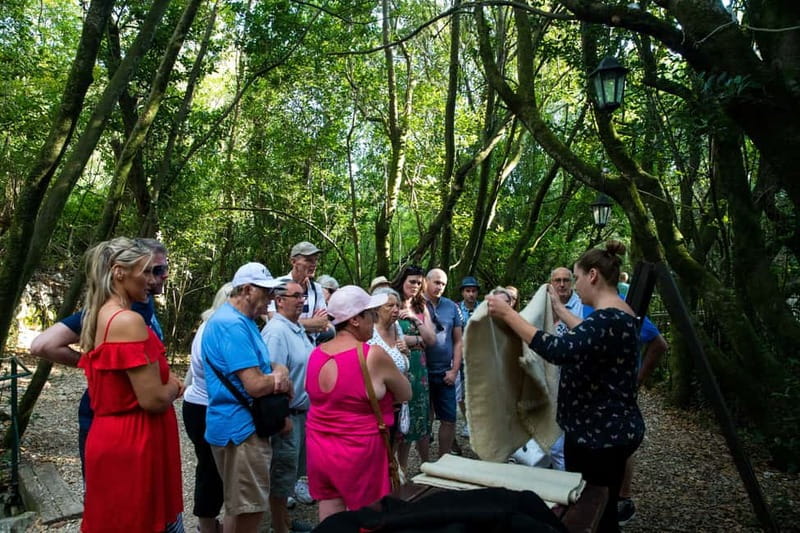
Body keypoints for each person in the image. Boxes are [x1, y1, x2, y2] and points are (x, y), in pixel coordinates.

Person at [487, 241, 645, 533]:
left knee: (590, 514)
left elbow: (559, 350)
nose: (576, 285)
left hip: (597, 439)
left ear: (593, 275)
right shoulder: (619, 314)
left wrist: (509, 315)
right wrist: (558, 308)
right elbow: (588, 336)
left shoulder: (605, 319)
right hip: (613, 432)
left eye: (578, 277)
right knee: (603, 509)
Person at [30, 238, 170, 474]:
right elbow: (42, 345)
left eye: (163, 269)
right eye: (152, 270)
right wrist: (94, 365)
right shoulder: (124, 314)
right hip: (118, 420)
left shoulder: (138, 304)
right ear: (122, 272)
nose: (160, 276)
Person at [77, 237, 183, 532]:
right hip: (132, 442)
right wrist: (175, 385)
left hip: (115, 436)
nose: (152, 281)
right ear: (119, 272)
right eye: (146, 272)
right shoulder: (128, 321)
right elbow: (153, 399)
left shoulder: (102, 314)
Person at [305, 286, 411, 521]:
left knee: (330, 508)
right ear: (354, 320)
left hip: (319, 446)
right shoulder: (371, 355)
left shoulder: (316, 353)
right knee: (369, 515)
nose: (374, 321)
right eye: (370, 315)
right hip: (359, 448)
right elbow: (405, 393)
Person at [202, 262, 292, 533]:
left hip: (241, 428)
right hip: (240, 431)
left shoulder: (244, 322)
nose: (270, 298)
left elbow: (270, 366)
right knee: (249, 510)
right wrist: (279, 380)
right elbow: (254, 384)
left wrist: (279, 371)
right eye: (265, 292)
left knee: (239, 507)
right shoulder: (232, 326)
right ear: (247, 289)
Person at [261, 281, 315, 533]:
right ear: (279, 300)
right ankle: (279, 526)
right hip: (287, 415)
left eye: (303, 295)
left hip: (302, 413)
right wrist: (282, 417)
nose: (302, 300)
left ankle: (284, 522)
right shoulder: (276, 332)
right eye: (296, 296)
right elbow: (273, 378)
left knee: (291, 470)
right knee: (281, 471)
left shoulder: (295, 328)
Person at [183, 282, 233, 533]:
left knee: (210, 468)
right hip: (205, 407)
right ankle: (207, 524)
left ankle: (210, 522)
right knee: (211, 471)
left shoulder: (207, 326)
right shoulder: (217, 329)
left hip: (197, 405)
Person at [392, 265, 436, 471]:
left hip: (419, 368)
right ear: (402, 280)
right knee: (397, 414)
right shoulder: (391, 302)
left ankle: (407, 466)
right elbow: (384, 336)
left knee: (416, 415)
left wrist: (412, 322)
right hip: (396, 365)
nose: (416, 286)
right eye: (412, 281)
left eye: (419, 283)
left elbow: (431, 339)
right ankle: (394, 469)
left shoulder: (421, 307)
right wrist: (417, 341)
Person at [424, 268, 464, 457]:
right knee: (424, 420)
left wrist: (454, 370)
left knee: (449, 418)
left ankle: (444, 459)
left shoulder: (452, 307)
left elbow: (458, 341)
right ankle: (423, 462)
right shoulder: (415, 305)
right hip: (422, 370)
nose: (439, 287)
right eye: (436, 282)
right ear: (426, 281)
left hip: (445, 372)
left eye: (443, 284)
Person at [456, 276, 481, 441]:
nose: (471, 294)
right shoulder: (456, 308)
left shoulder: (484, 308)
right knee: (462, 394)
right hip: (461, 356)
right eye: (467, 291)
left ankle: (478, 423)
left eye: (473, 291)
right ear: (463, 292)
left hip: (479, 357)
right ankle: (467, 421)